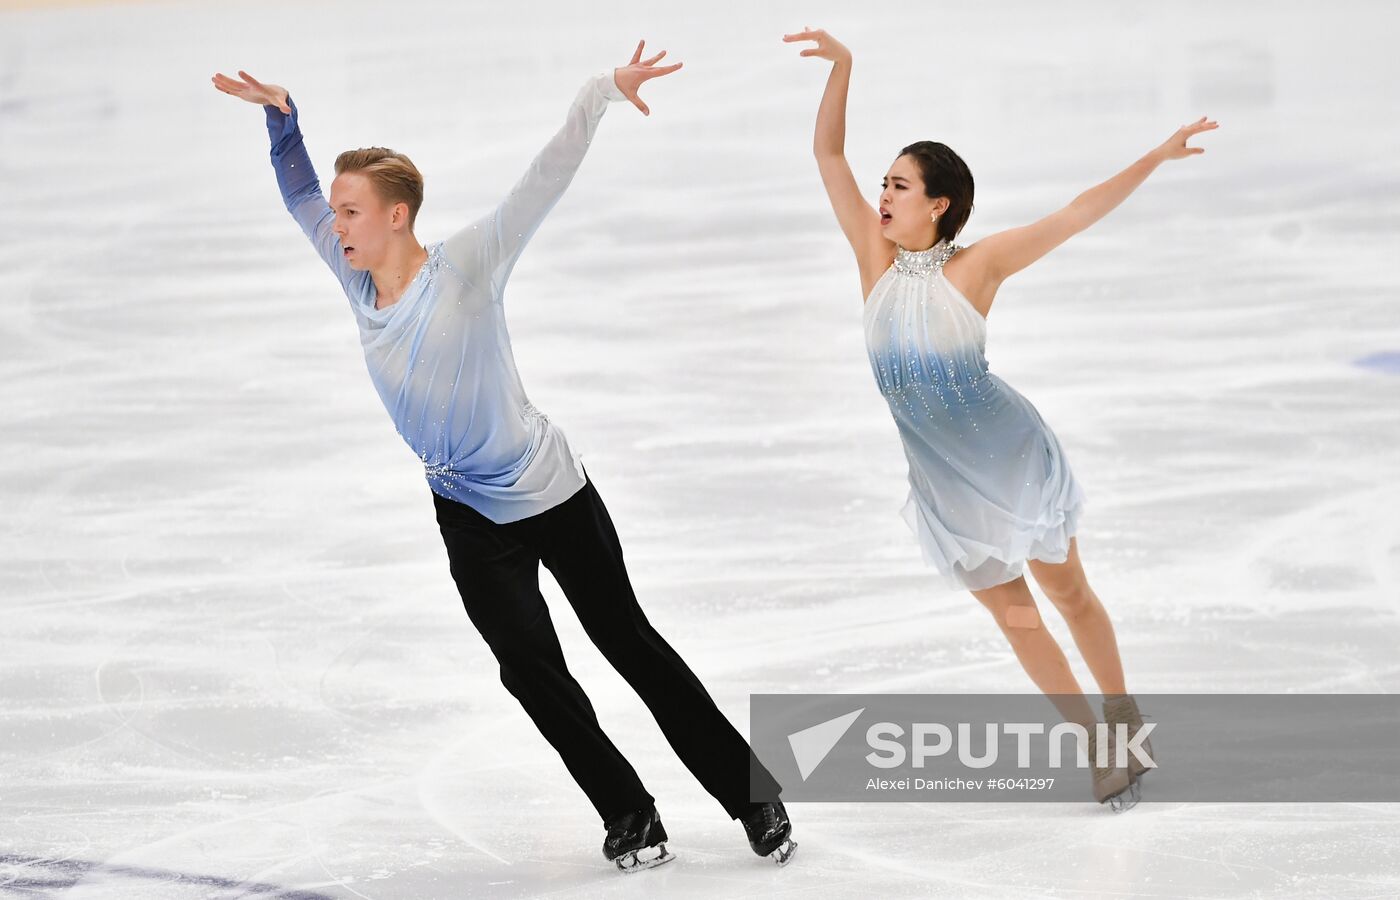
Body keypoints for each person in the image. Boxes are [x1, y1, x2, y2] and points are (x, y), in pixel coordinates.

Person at [210, 40, 796, 871]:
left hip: (551, 491)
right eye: (337, 214)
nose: (333, 225)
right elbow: (299, 190)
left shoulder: (468, 267)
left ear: (396, 216)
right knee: (531, 673)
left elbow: (543, 180)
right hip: (466, 511)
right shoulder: (354, 279)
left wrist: (604, 92)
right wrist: (282, 123)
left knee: (628, 643)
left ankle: (752, 795)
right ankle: (629, 811)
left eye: (350, 212)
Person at [784, 25, 1217, 810]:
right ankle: (1094, 741)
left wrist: (1155, 157)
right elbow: (827, 158)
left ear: (939, 205)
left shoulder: (978, 266)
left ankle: (1123, 713)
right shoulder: (872, 258)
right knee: (1017, 620)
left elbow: (1079, 212)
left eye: (900, 187)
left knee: (1070, 595)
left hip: (1013, 461)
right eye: (884, 184)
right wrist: (845, 66)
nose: (881, 196)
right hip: (946, 484)